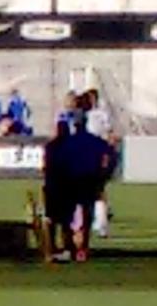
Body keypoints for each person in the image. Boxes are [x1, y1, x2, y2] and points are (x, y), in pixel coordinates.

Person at [52, 109, 121, 262]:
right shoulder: (96, 142)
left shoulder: (68, 143)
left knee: (68, 217)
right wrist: (103, 176)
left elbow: (58, 163)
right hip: (90, 181)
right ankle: (83, 248)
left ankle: (70, 247)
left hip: (71, 182)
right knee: (86, 215)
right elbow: (111, 155)